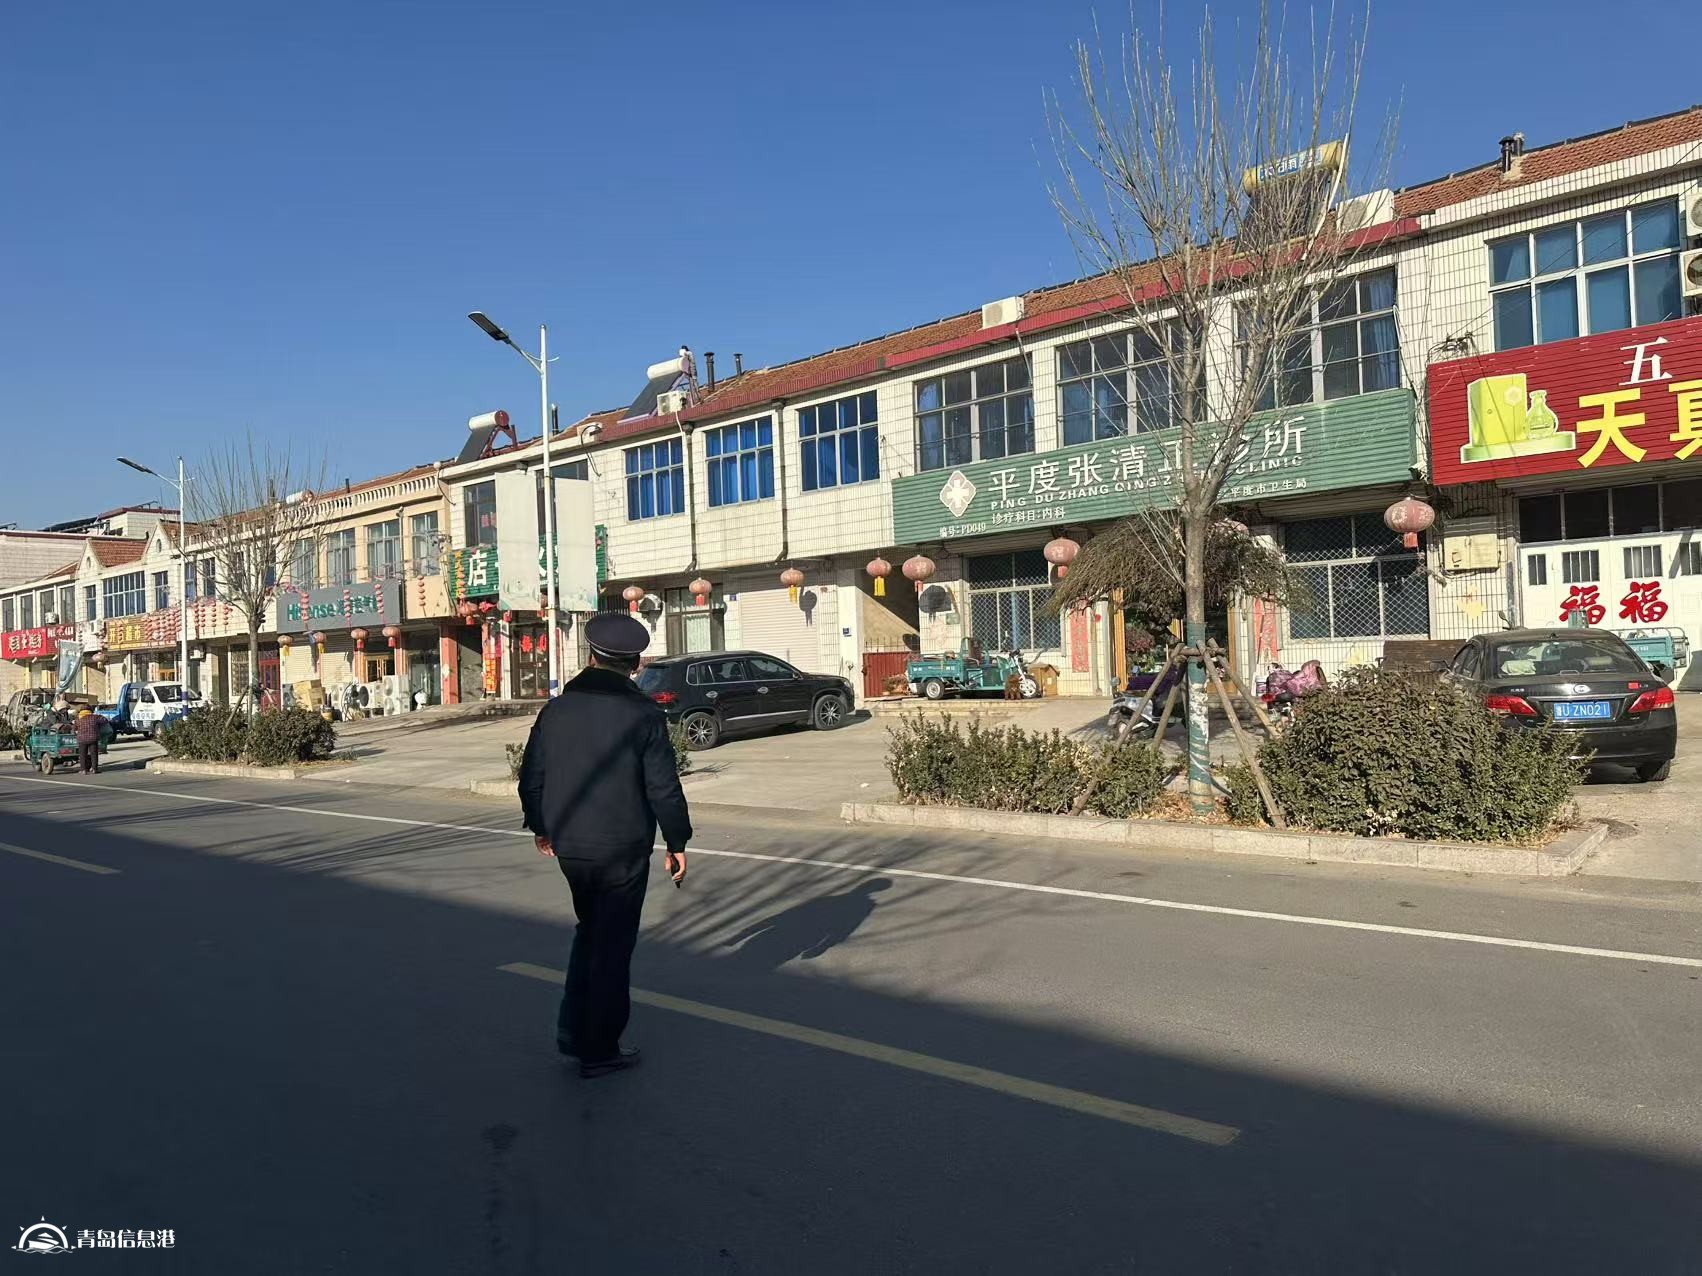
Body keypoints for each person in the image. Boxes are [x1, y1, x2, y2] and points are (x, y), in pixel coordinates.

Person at [518, 612, 692, 1079]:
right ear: (634, 665)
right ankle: (598, 1049)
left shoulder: (556, 710)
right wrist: (677, 840)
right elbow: (662, 787)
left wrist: (541, 827)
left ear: (591, 656)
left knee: (591, 929)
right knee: (612, 945)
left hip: (571, 845)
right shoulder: (643, 714)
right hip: (623, 849)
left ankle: (572, 1031)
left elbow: (531, 777)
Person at [74, 706, 106, 775]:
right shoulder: (95, 717)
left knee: (82, 755)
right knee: (94, 754)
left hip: (82, 739)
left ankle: (83, 770)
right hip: (93, 738)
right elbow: (105, 721)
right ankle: (94, 769)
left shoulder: (78, 718)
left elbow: (74, 728)